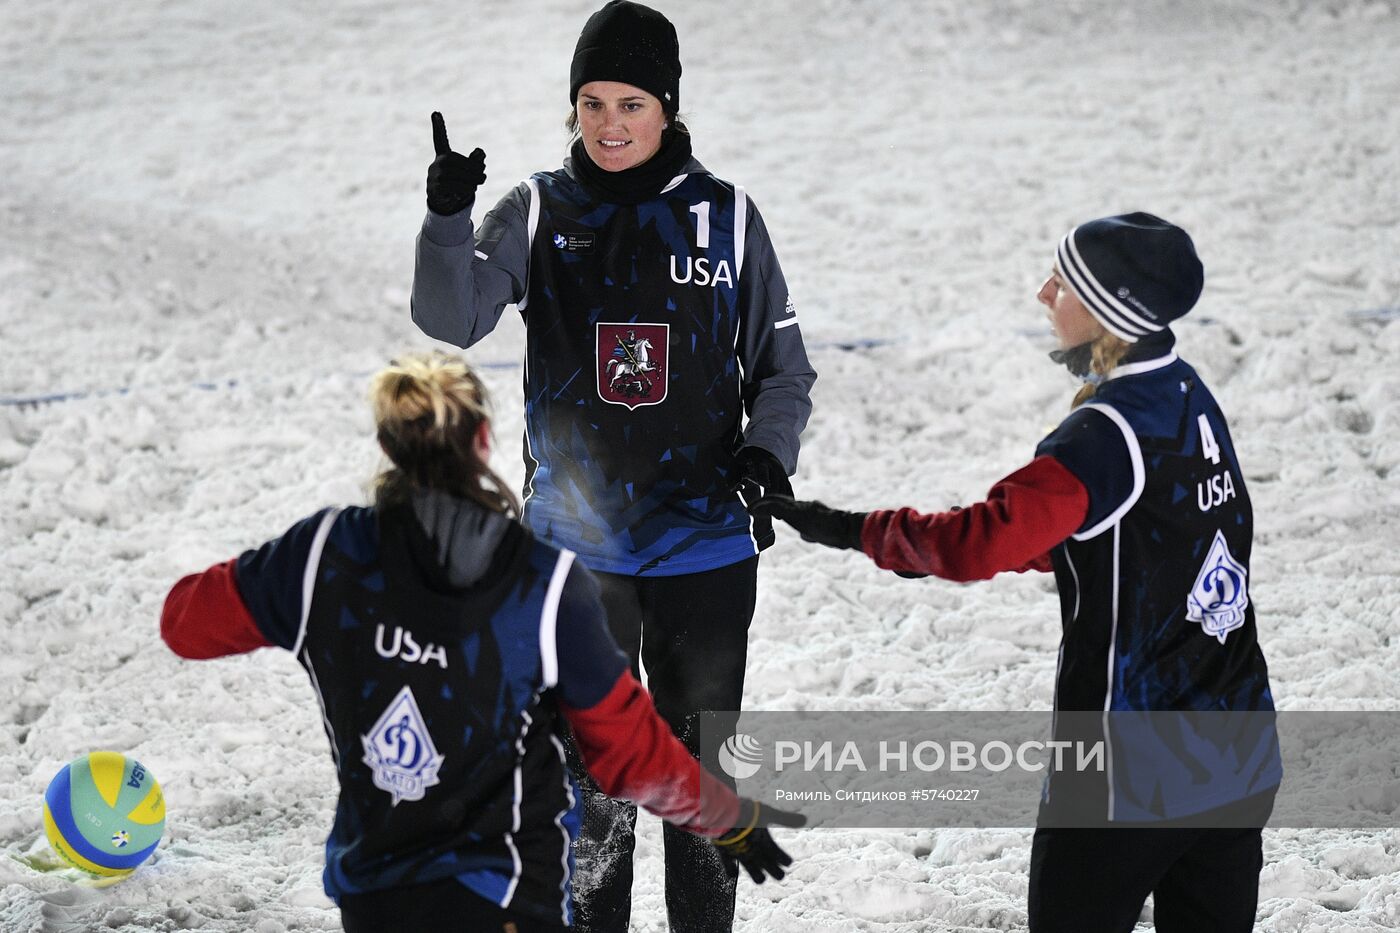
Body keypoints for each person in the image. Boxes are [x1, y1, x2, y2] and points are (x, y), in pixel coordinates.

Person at [753, 214, 1282, 933]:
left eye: (1061, 282)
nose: (1042, 293)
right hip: (1240, 749)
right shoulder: (1190, 394)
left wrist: (845, 527)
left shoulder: (1100, 435)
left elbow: (978, 543)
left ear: (1107, 310)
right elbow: (1122, 532)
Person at [410, 3, 815, 930]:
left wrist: (766, 450)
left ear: (667, 107)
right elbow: (454, 316)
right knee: (590, 788)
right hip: (577, 554)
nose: (610, 123)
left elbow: (784, 370)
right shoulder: (540, 209)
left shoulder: (728, 219)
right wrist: (445, 220)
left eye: (631, 101)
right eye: (591, 103)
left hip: (706, 549)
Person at [160, 352, 803, 933]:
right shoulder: (545, 584)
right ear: (485, 440)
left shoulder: (320, 557)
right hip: (510, 901)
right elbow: (626, 753)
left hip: (377, 898)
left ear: (388, 446)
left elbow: (184, 625)